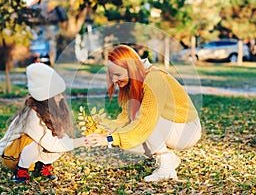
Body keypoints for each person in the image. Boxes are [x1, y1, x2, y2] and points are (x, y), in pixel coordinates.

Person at [86, 45, 202, 182]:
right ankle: (169, 159)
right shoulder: (133, 82)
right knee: (125, 137)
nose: (114, 80)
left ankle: (165, 167)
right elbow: (124, 119)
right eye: (112, 75)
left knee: (141, 121)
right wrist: (103, 129)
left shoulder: (154, 78)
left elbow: (146, 121)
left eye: (118, 75)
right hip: (168, 127)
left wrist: (110, 138)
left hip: (186, 130)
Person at [0, 63, 86, 184]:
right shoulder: (32, 114)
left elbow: (59, 139)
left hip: (27, 152)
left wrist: (76, 140)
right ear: (47, 97)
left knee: (60, 138)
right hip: (11, 155)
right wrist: (81, 142)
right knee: (39, 142)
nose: (61, 98)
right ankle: (20, 171)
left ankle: (41, 166)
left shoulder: (50, 110)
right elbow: (50, 143)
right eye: (58, 94)